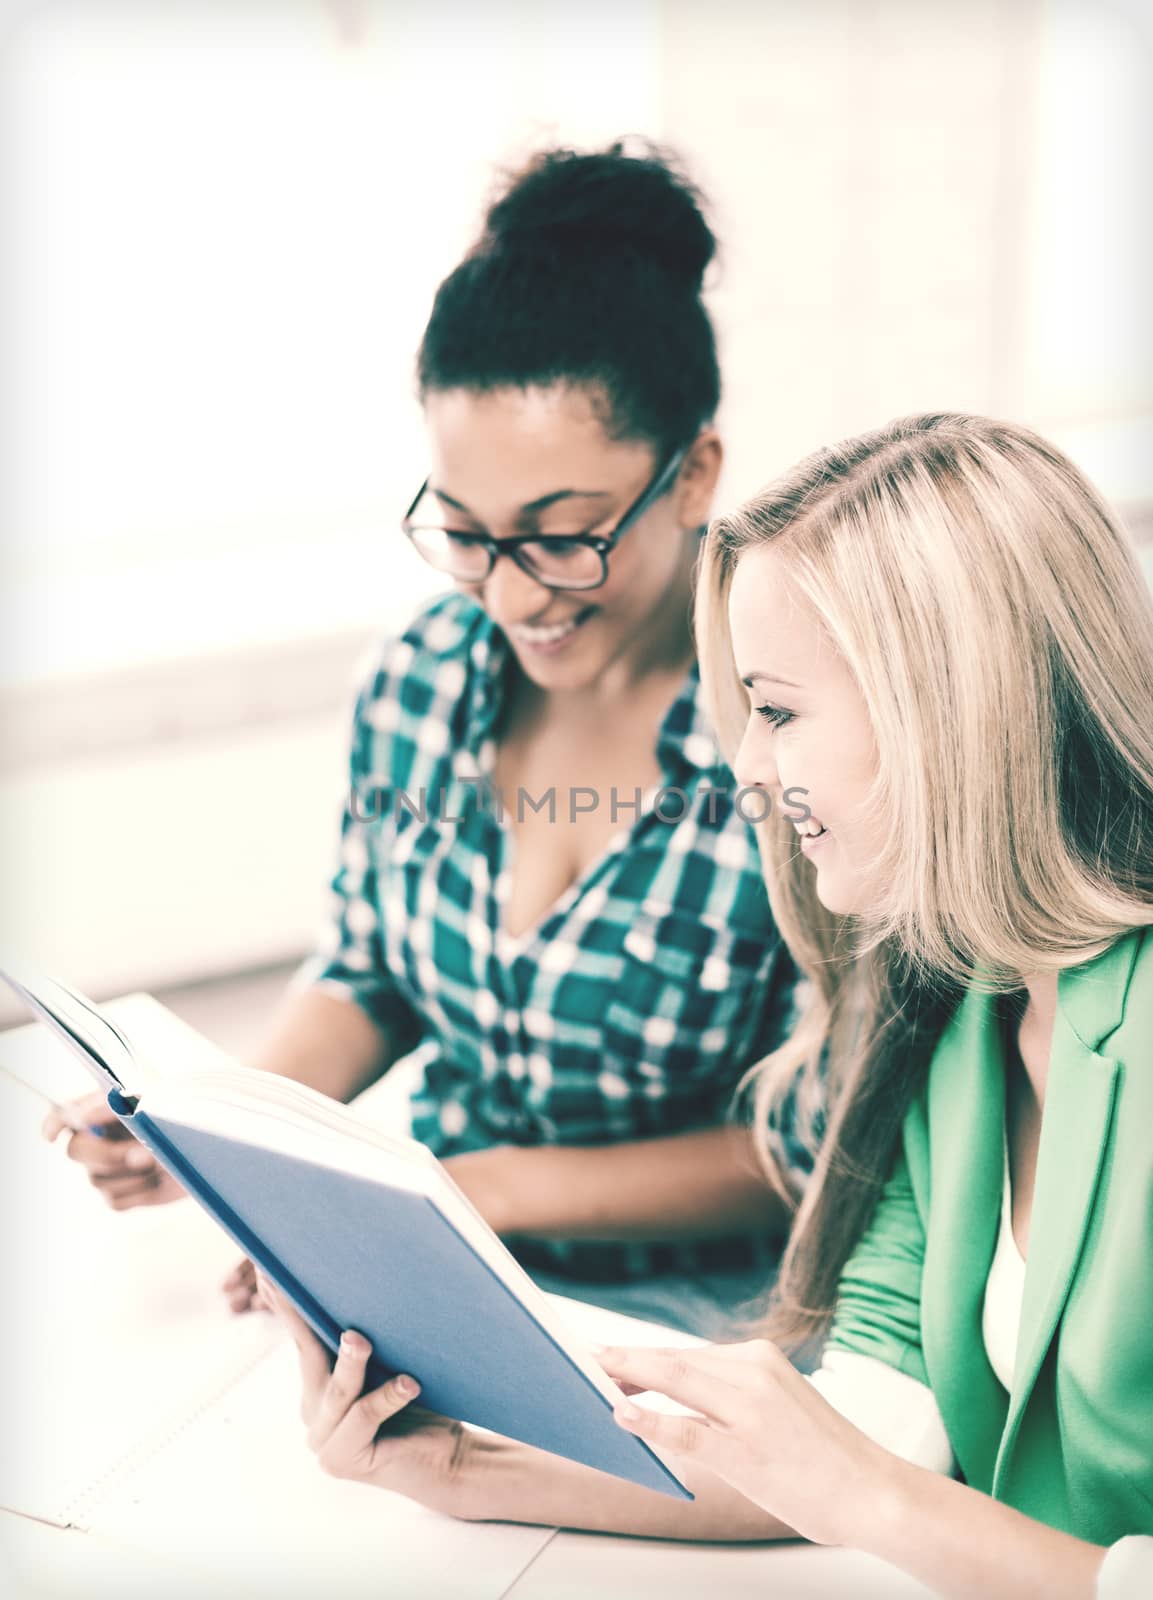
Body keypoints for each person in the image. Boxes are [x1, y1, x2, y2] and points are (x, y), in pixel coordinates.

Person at [263, 414, 1153, 1598]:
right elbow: (866, 1434)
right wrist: (467, 1465)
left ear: (951, 706)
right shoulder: (958, 1006)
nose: (744, 773)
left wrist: (873, 1499)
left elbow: (866, 1484)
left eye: (777, 712)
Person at [44, 141, 823, 1340]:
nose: (512, 599)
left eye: (564, 536)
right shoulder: (416, 681)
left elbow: (820, 1137)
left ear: (693, 473)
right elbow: (371, 969)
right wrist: (221, 1128)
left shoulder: (795, 734)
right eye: (465, 532)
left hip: (712, 1322)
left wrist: (476, 1191)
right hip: (446, 1271)